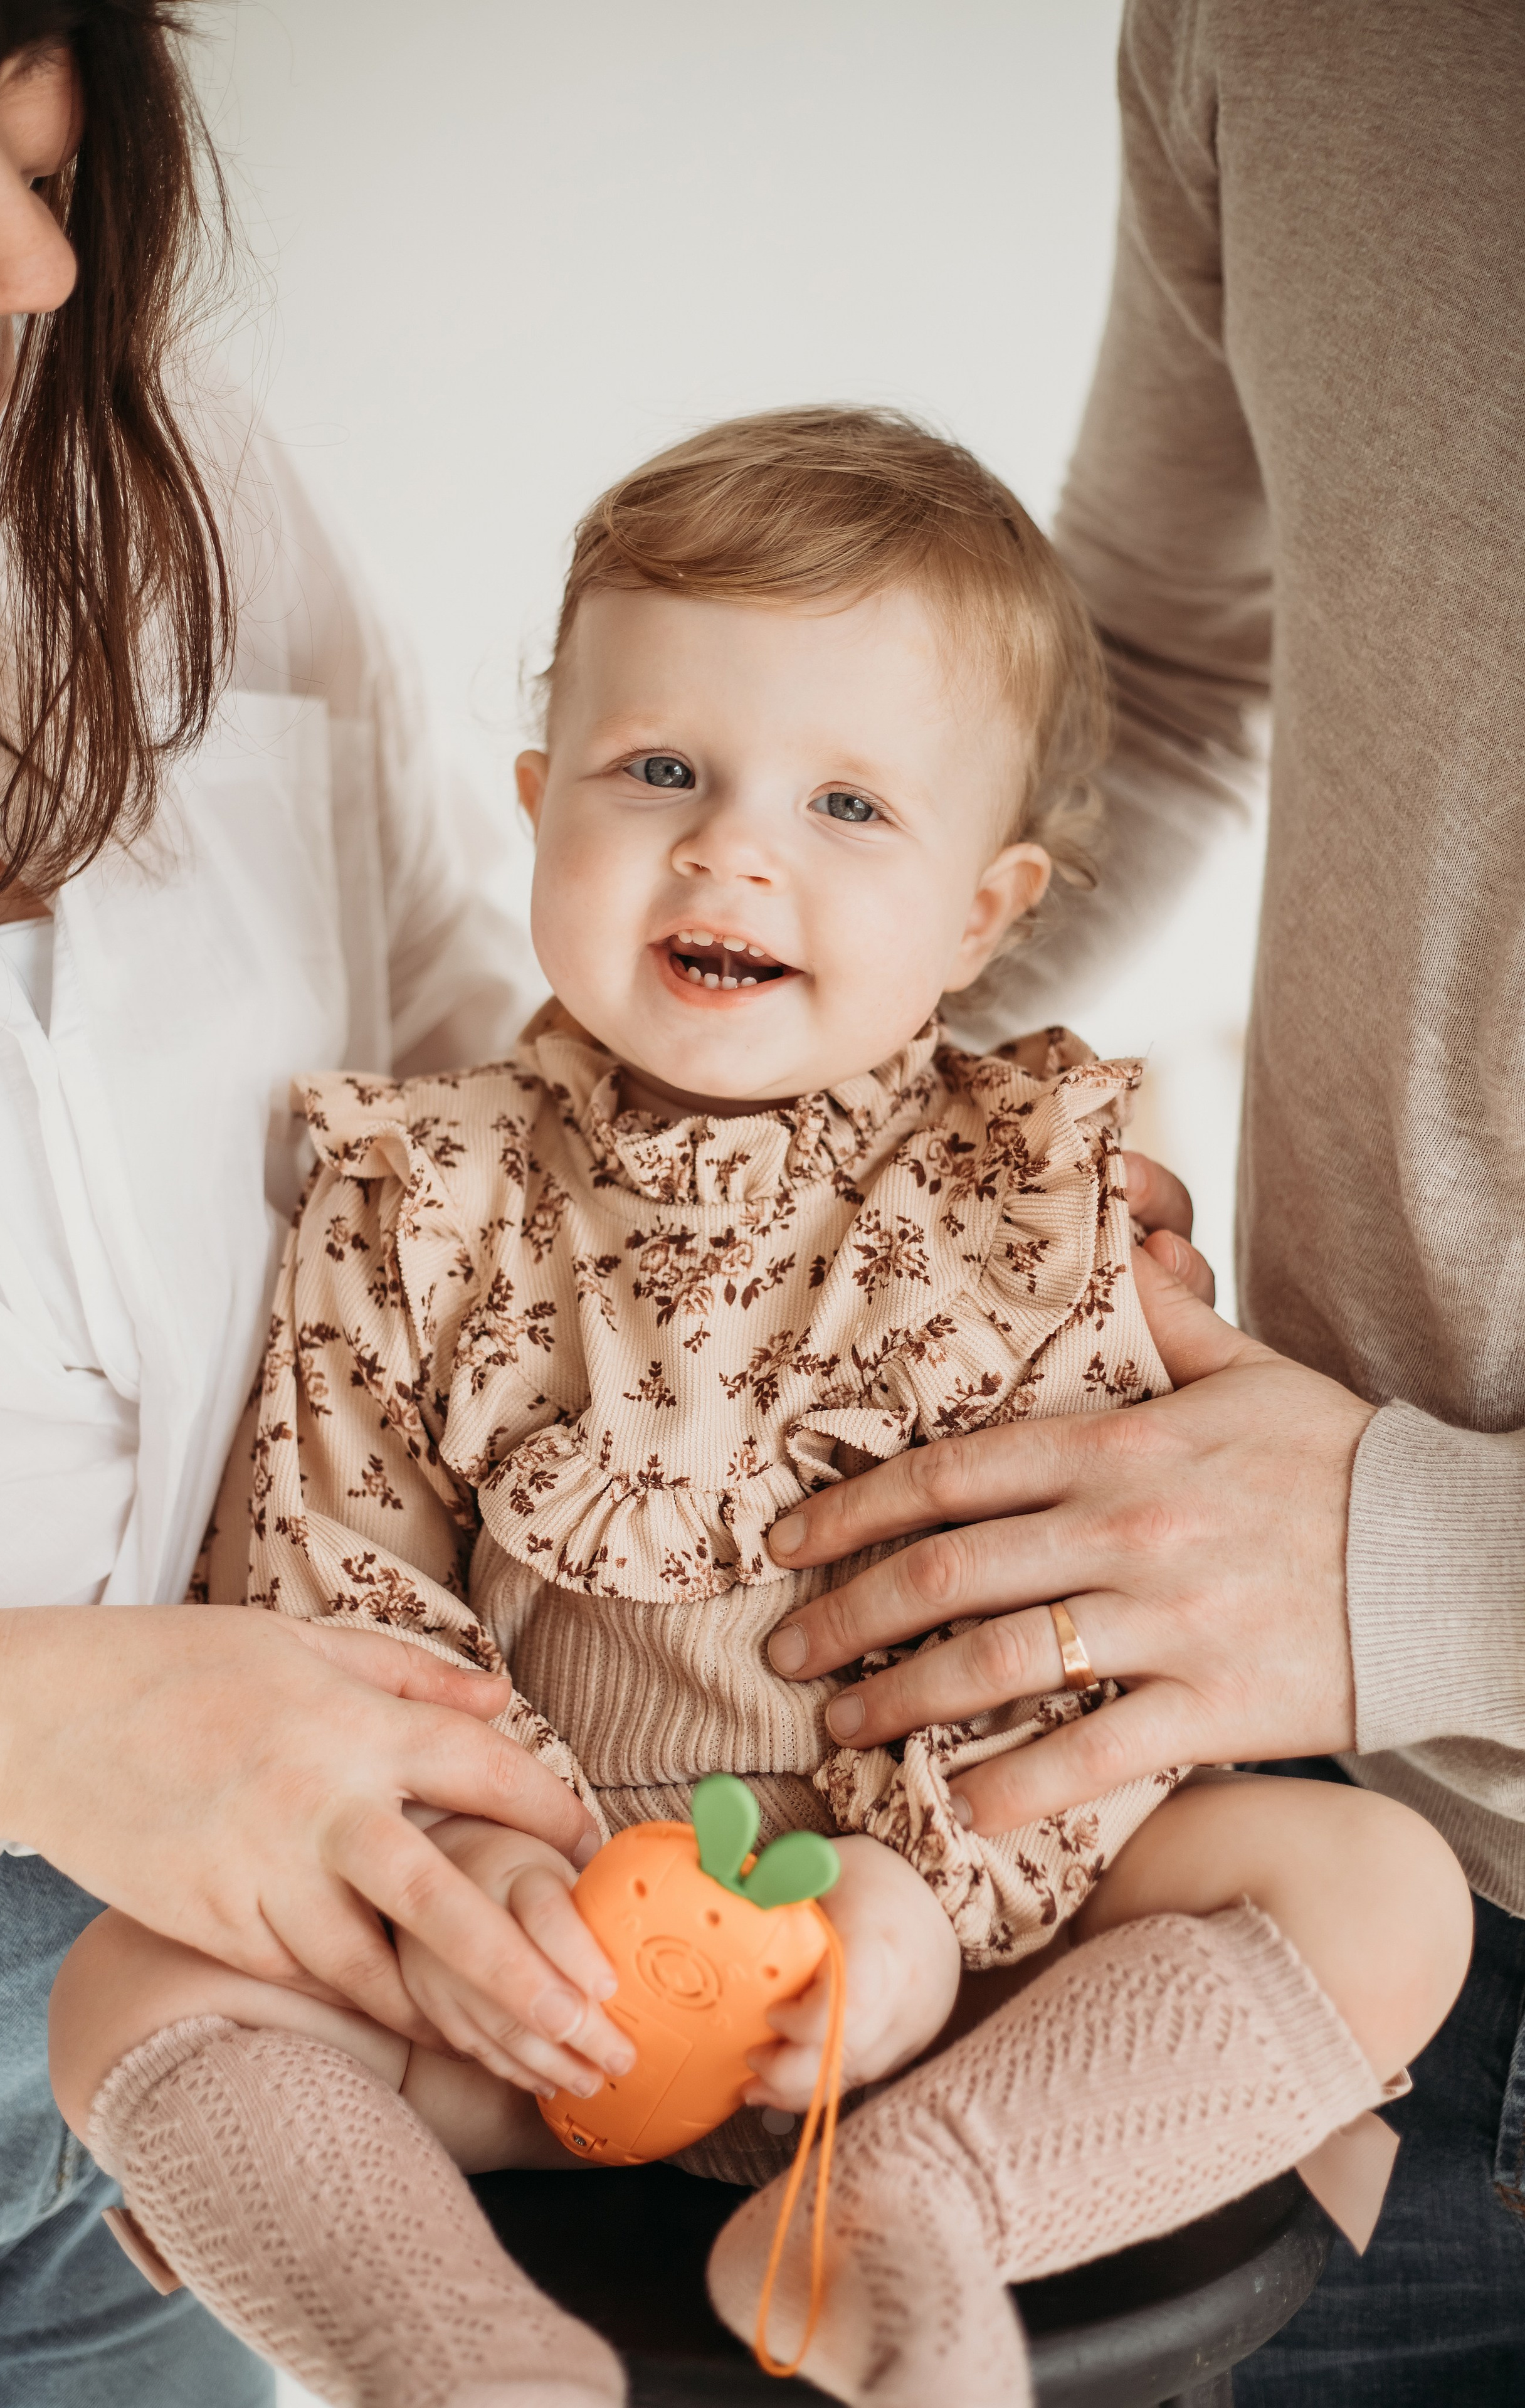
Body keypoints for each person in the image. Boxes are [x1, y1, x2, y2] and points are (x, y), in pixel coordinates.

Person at [45, 409, 1470, 2408]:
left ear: (989, 911)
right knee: (131, 1983)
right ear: (537, 806)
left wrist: (913, 1908)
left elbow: (1073, 1624)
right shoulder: (417, 1187)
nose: (733, 847)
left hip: (952, 1965)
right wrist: (477, 1881)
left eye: (848, 808)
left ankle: (917, 2205)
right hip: (533, 1983)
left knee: (1378, 1889)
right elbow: (329, 1572)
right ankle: (448, 2357)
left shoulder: (1030, 1193)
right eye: (659, 774)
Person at [751, 5, 1525, 2401]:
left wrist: (1426, 1573)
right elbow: (1167, 672)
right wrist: (714, 1095)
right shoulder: (1278, 28)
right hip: (1339, 1894)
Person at [0, 8, 603, 2403]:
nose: (13, 257)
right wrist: (11, 1726)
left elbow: (451, 1060)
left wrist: (876, 1209)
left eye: (39, 157)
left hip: (205, 1991)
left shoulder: (151, 451)